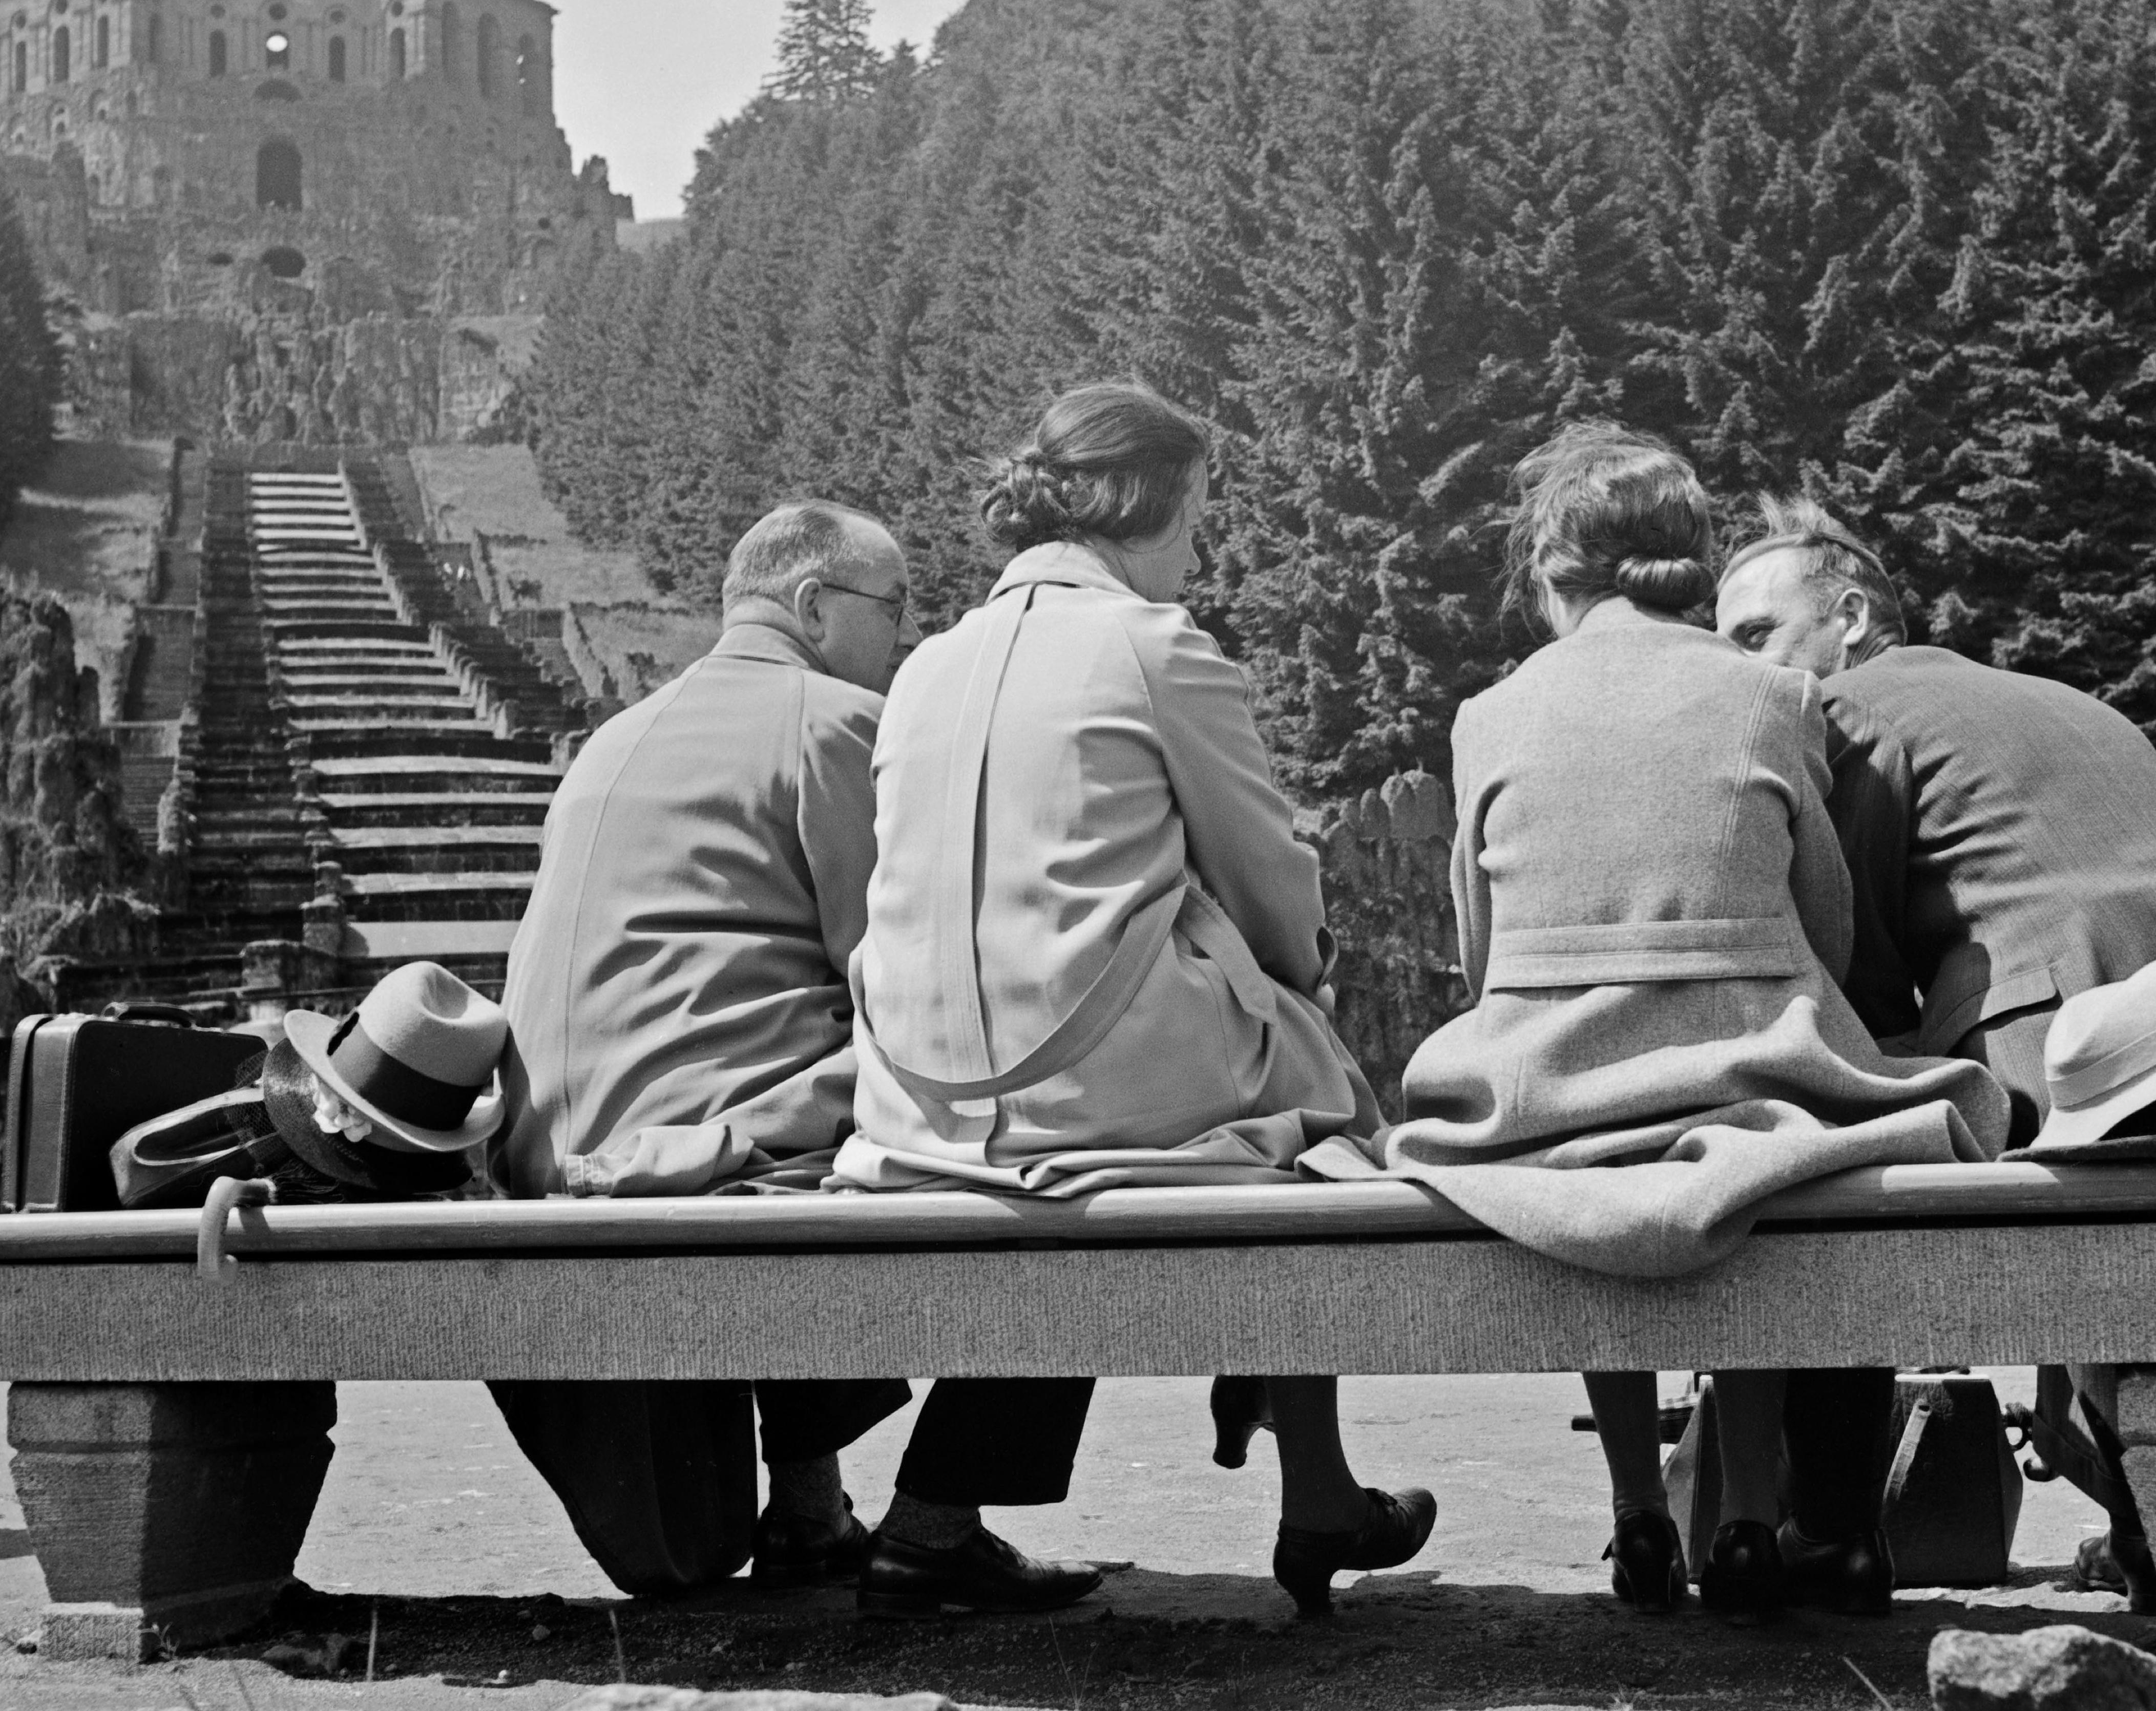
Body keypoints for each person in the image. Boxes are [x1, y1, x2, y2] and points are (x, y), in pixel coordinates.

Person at [1714, 489, 2156, 1601]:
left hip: (2064, 1041)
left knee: (1819, 1152)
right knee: (2140, 1252)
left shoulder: (1843, 718)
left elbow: (1854, 982)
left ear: (1849, 617)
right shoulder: (2062, 699)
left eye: (1754, 635)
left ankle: (1831, 1522)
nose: (1742, 668)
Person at [1380, 426, 2010, 1623]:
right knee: (1755, 1162)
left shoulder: (1489, 712)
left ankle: (1635, 1507)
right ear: (1685, 559)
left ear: (1552, 569)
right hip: (1743, 1068)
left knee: (1588, 1177)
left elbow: (1479, 953)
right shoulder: (1770, 695)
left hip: (1544, 1088)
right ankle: (1738, 1519)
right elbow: (1821, 921)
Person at [842, 381, 1435, 1619]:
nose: (1203, 548)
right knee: (1319, 1111)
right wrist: (1292, 987)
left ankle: (937, 1518)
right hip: (1086, 1088)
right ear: (1149, 501)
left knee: (1123, 1155)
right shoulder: (1157, 648)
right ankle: (1315, 1485)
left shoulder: (925, 667)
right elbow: (1269, 877)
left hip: (911, 1103)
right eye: (1200, 515)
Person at [490, 498, 1086, 1609]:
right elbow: (913, 979)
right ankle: (936, 1529)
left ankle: (809, 1510)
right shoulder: (835, 723)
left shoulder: (617, 737)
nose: (903, 640)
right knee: (1068, 1162)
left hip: (551, 1151)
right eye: (894, 609)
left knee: (809, 1074)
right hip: (698, 1154)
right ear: (815, 605)